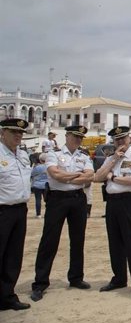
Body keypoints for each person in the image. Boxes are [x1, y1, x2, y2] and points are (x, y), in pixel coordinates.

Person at [31, 125, 94, 302]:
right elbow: (55, 174)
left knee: (77, 239)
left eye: (80, 137)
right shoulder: (54, 153)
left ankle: (76, 277)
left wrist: (68, 175)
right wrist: (77, 175)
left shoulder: (83, 156)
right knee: (49, 240)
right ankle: (40, 283)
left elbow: (89, 176)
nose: (78, 140)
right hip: (57, 199)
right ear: (66, 136)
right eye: (75, 136)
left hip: (78, 199)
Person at [94, 126, 131, 296]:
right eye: (117, 140)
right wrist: (113, 160)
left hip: (130, 202)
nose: (120, 142)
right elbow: (98, 177)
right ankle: (119, 278)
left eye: (123, 139)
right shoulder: (111, 158)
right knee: (115, 242)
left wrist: (114, 177)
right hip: (113, 203)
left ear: (129, 139)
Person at [0, 118, 32, 311]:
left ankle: (7, 296)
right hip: (2, 211)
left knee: (13, 256)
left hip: (20, 210)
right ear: (3, 133)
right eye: (14, 133)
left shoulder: (22, 155)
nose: (18, 136)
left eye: (20, 133)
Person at [30, 153, 49, 217]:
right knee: (47, 200)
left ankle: (38, 214)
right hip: (46, 185)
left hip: (37, 185)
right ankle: (47, 213)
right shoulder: (48, 167)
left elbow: (32, 174)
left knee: (38, 200)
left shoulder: (37, 167)